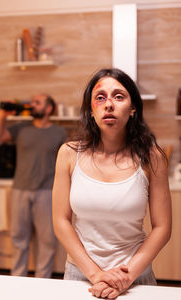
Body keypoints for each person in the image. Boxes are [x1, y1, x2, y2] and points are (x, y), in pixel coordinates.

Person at [52, 68, 172, 299]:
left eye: (118, 96)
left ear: (133, 108)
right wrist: (96, 274)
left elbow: (162, 228)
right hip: (81, 275)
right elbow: (60, 221)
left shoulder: (152, 156)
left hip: (135, 277)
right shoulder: (68, 153)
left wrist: (126, 276)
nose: (109, 104)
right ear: (90, 110)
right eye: (100, 97)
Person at [0, 94, 67, 278]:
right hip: (20, 190)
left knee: (47, 240)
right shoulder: (21, 129)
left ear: (49, 109)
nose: (32, 105)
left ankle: (43, 282)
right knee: (19, 239)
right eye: (32, 102)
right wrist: (3, 115)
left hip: (47, 192)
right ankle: (18, 280)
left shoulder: (59, 133)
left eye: (37, 102)